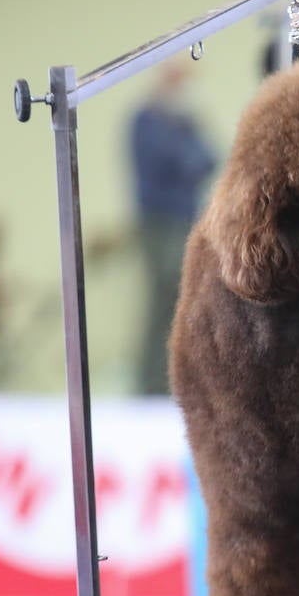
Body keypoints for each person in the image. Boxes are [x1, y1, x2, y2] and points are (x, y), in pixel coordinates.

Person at [129, 59, 217, 395]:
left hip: (184, 221)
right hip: (157, 223)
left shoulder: (186, 122)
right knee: (160, 300)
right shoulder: (146, 121)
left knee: (183, 299)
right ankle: (150, 383)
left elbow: (208, 159)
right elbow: (173, 162)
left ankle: (176, 381)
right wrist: (185, 154)